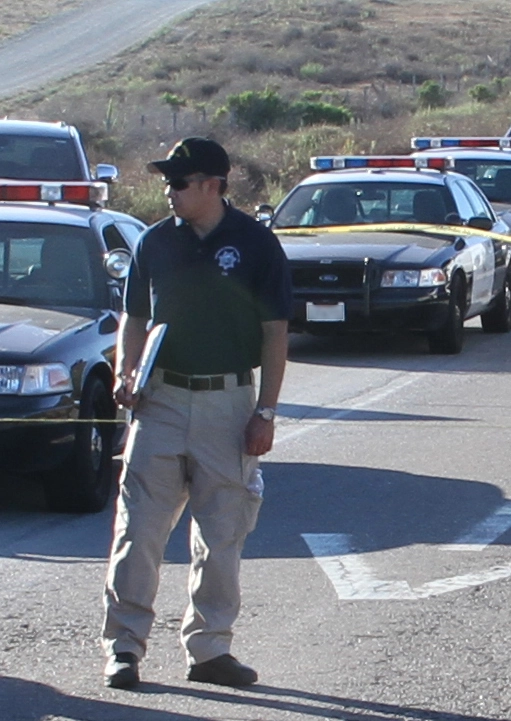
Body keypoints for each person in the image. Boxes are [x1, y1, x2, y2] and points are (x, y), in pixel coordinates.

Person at [101, 136, 293, 690]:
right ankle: (123, 647)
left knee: (222, 531)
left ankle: (209, 649)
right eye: (167, 181)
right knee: (138, 530)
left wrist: (267, 411)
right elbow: (133, 318)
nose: (169, 192)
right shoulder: (155, 242)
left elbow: (275, 332)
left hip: (228, 402)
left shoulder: (257, 245)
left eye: (179, 182)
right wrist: (125, 373)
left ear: (213, 184)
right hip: (160, 399)